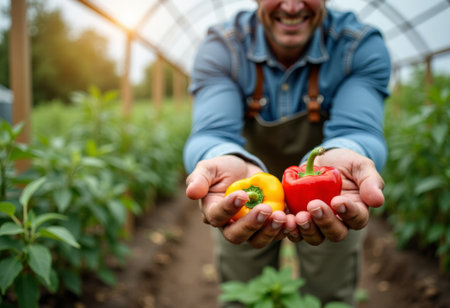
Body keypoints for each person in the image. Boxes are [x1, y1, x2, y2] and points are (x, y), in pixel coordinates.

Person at [184, 0, 390, 306]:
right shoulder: (224, 46)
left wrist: (347, 154)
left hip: (328, 198)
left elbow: (359, 129)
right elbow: (212, 133)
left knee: (328, 293)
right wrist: (220, 158)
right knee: (244, 293)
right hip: (246, 190)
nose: (292, 6)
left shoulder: (358, 45)